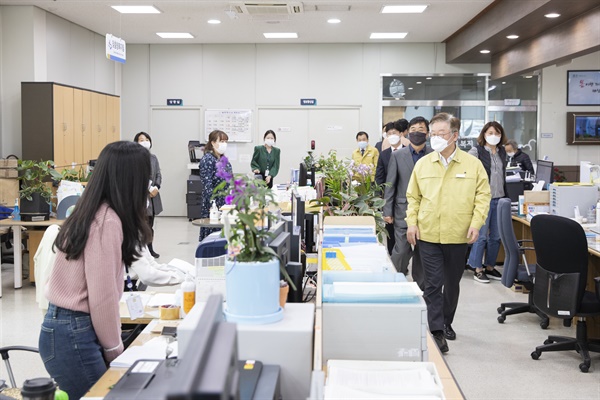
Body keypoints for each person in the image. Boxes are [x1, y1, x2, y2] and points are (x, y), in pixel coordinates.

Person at [38, 141, 153, 399]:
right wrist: (116, 351)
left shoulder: (92, 210)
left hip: (64, 328)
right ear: (131, 180)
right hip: (73, 333)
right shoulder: (107, 220)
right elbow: (101, 299)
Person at [406, 113, 490, 353]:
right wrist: (412, 223)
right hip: (429, 233)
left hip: (458, 234)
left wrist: (476, 223)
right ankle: (436, 331)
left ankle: (447, 321)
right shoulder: (423, 164)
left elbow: (483, 196)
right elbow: (413, 197)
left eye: (440, 134)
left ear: (454, 136)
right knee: (432, 284)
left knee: (452, 283)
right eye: (433, 134)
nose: (435, 138)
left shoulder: (472, 165)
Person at [383, 117, 432, 288]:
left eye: (421, 129)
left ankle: (421, 286)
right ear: (407, 132)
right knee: (401, 250)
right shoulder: (397, 155)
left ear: (427, 133)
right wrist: (387, 210)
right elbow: (391, 185)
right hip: (403, 210)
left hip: (428, 212)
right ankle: (396, 280)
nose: (416, 132)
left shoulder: (434, 155)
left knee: (422, 253)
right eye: (413, 129)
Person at [467, 121, 508, 283]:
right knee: (481, 235)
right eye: (490, 133)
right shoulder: (476, 151)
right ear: (484, 134)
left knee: (497, 236)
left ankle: (490, 266)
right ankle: (477, 268)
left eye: (497, 133)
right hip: (483, 199)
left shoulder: (502, 152)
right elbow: (467, 169)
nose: (494, 136)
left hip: (500, 198)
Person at [376, 119, 408, 255]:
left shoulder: (408, 152)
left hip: (406, 196)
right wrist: (380, 196)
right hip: (389, 197)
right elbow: (379, 176)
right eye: (388, 134)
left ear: (401, 134)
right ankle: (392, 256)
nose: (391, 136)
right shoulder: (384, 154)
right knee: (390, 229)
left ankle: (403, 261)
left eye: (394, 132)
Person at [199, 130, 232, 241]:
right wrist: (213, 205)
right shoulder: (208, 159)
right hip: (213, 204)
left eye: (226, 141)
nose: (224, 144)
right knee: (212, 236)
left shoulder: (223, 160)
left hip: (225, 203)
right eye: (221, 141)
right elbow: (207, 185)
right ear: (213, 143)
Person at [134, 132, 163, 258]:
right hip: (140, 196)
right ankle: (141, 249)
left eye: (146, 139)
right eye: (141, 140)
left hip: (153, 196)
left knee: (150, 224)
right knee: (141, 224)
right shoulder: (133, 159)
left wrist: (156, 186)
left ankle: (150, 248)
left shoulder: (153, 158)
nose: (144, 142)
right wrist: (147, 188)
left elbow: (158, 174)